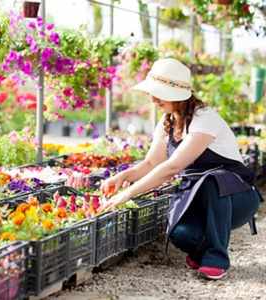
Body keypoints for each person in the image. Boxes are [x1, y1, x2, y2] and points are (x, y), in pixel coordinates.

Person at [100, 58, 261, 280]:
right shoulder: (167, 123)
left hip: (237, 197)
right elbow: (151, 163)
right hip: (198, 200)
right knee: (179, 234)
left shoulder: (204, 118)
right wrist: (122, 177)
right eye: (152, 92)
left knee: (211, 180)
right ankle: (203, 248)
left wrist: (127, 195)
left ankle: (217, 257)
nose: (153, 98)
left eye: (159, 93)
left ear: (178, 94)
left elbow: (172, 167)